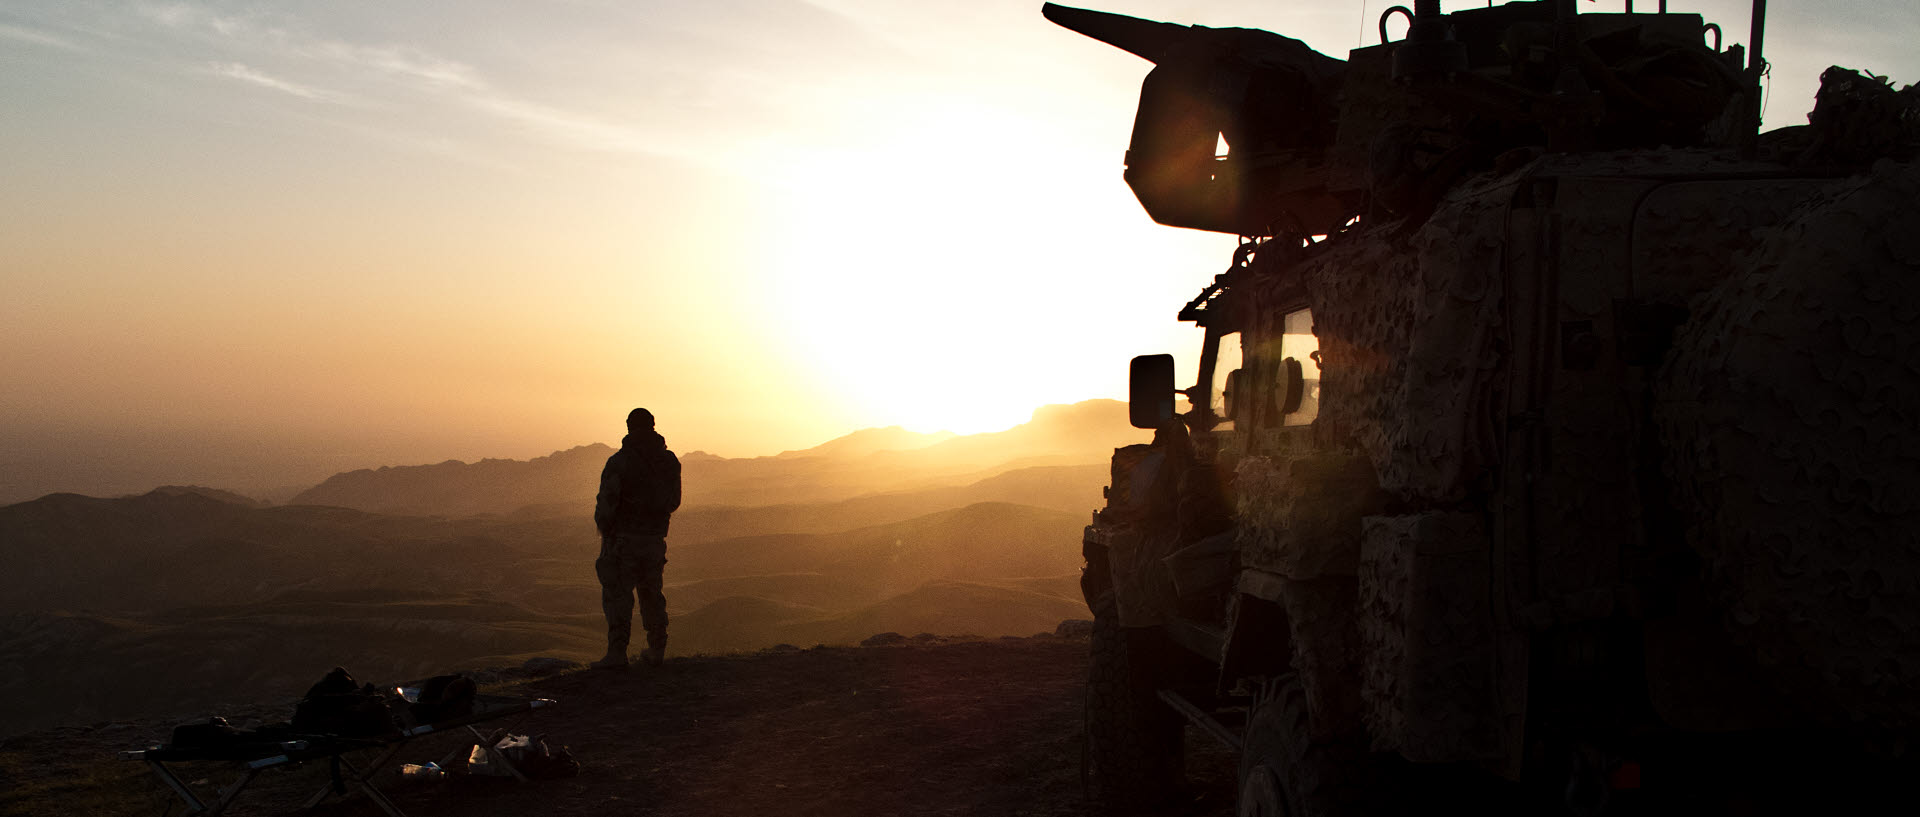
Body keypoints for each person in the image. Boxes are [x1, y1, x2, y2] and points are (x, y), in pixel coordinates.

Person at [591, 407, 681, 669]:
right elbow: (673, 501)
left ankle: (617, 654)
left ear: (629, 427)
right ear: (653, 426)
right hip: (654, 540)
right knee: (652, 594)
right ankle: (656, 650)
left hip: (623, 540)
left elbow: (606, 503)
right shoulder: (669, 462)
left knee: (618, 596)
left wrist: (605, 528)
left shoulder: (619, 463)